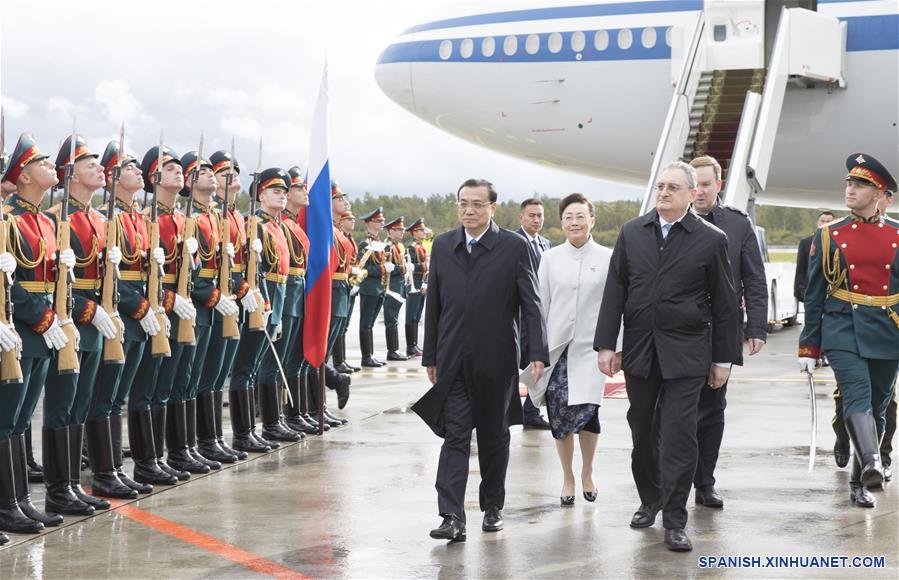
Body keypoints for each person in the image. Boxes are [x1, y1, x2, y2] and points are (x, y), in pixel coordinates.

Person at [595, 161, 738, 552]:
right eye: (660, 186)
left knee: (678, 434)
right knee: (641, 428)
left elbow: (725, 305)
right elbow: (615, 291)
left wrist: (723, 359)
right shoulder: (632, 232)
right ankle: (650, 498)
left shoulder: (711, 239)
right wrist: (607, 344)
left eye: (673, 187)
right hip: (641, 351)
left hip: (688, 353)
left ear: (693, 195)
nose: (663, 193)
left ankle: (676, 518)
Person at [413, 178, 548, 542]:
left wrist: (536, 352)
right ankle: (451, 516)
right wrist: (431, 356)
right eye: (462, 204)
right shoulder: (443, 246)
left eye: (476, 204)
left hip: (498, 359)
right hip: (453, 358)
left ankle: (492, 506)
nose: (468, 211)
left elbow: (531, 304)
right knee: (455, 435)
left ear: (492, 208)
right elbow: (435, 304)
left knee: (493, 436)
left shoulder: (513, 247)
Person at [799, 153, 898, 508]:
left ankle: (860, 480)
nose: (850, 189)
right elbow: (813, 296)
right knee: (856, 394)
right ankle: (872, 460)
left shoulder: (897, 235)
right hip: (842, 325)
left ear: (880, 193)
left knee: (879, 404)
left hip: (888, 330)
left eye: (859, 185)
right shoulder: (829, 235)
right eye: (849, 183)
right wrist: (809, 347)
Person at [44, 136, 123, 511]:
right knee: (62, 405)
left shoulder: (101, 220)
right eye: (90, 164)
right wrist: (88, 312)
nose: (100, 168)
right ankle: (58, 490)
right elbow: (54, 283)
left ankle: (73, 484)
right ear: (70, 174)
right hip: (73, 317)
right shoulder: (58, 218)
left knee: (80, 404)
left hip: (100, 320)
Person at [522, 193, 615, 506]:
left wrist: (615, 347)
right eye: (568, 217)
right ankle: (567, 476)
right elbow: (540, 305)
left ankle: (588, 472)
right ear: (561, 223)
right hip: (556, 350)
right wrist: (536, 350)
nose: (574, 222)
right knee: (559, 416)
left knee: (589, 414)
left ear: (592, 220)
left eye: (580, 216)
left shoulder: (607, 257)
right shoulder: (550, 258)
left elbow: (616, 307)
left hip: (593, 350)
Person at [1, 133, 73, 535]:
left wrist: (58, 317)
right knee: (5, 419)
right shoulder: (6, 217)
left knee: (21, 419)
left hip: (45, 326)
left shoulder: (45, 221)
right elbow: (8, 283)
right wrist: (40, 316)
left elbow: (52, 279)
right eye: (43, 162)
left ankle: (18, 501)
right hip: (20, 326)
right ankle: (5, 505)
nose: (51, 167)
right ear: (23, 175)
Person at [689, 156, 768, 508]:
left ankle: (705, 481)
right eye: (696, 184)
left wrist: (757, 327)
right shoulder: (673, 222)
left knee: (712, 408)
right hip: (680, 331)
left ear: (718, 185)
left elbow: (753, 277)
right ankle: (671, 481)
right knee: (675, 410)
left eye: (707, 184)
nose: (700, 191)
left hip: (720, 331)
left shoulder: (737, 225)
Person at [89, 140, 166, 496]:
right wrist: (137, 307)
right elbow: (110, 278)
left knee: (121, 395)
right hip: (121, 311)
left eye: (137, 167)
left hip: (143, 311)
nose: (139, 172)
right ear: (114, 177)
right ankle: (105, 472)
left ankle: (119, 468)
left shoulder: (138, 217)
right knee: (107, 396)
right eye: (130, 167)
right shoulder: (109, 217)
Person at [130, 145, 199, 483]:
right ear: (153, 178)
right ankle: (146, 461)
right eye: (169, 168)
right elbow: (141, 277)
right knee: (148, 386)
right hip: (157, 308)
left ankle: (171, 453)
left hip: (181, 306)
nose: (178, 172)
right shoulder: (146, 219)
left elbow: (190, 271)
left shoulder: (183, 220)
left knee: (173, 383)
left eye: (178, 168)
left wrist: (195, 258)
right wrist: (169, 301)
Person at [195, 149, 256, 463]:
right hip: (215, 300)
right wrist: (233, 290)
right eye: (223, 172)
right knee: (205, 376)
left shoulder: (233, 215)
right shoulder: (213, 214)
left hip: (231, 300)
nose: (232, 176)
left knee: (218, 376)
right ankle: (204, 441)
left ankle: (214, 438)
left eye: (235, 171)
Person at [227, 168, 290, 453]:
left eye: (284, 192)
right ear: (260, 195)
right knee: (245, 367)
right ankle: (242, 433)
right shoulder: (254, 224)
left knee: (253, 367)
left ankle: (252, 430)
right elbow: (257, 270)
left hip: (275, 295)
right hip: (257, 296)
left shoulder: (277, 226)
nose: (282, 196)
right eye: (276, 191)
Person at [516, 198, 552, 430]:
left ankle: (530, 411)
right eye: (532, 215)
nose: (536, 220)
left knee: (539, 365)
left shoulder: (545, 244)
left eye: (539, 215)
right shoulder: (513, 242)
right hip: (519, 316)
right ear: (521, 217)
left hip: (540, 315)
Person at [357, 208, 388, 367]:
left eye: (382, 221)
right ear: (370, 223)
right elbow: (362, 267)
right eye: (379, 221)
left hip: (379, 288)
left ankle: (370, 355)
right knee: (366, 323)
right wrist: (382, 269)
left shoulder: (378, 243)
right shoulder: (365, 244)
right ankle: (366, 356)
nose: (382, 223)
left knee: (370, 324)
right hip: (369, 288)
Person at [383, 216, 409, 361]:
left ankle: (395, 349)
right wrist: (403, 268)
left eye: (402, 229)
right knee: (391, 319)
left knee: (395, 319)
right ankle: (392, 350)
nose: (402, 232)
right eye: (399, 229)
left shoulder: (399, 246)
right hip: (391, 287)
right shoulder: (388, 246)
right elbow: (388, 268)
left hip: (399, 286)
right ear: (390, 231)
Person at [795, 211, 835, 304]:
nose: (825, 224)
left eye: (828, 221)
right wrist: (802, 294)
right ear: (818, 222)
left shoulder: (840, 243)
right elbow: (800, 270)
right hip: (812, 292)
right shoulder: (806, 243)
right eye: (822, 221)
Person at [404, 218, 428, 357]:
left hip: (421, 282)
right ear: (414, 232)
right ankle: (410, 346)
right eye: (421, 230)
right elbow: (410, 266)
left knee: (417, 315)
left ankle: (414, 344)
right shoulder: (411, 247)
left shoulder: (420, 246)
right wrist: (424, 267)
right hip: (413, 281)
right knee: (411, 314)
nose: (424, 233)